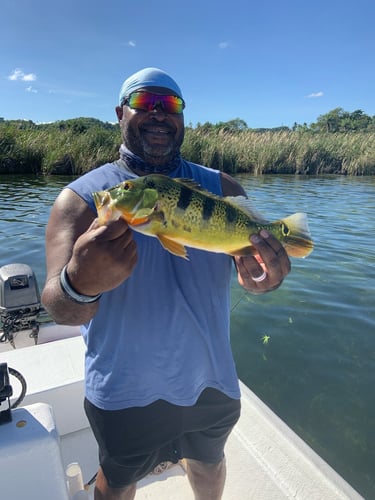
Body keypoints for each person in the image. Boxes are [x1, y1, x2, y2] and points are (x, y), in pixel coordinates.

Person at [42, 67, 291, 500]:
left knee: (210, 464)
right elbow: (59, 307)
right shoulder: (80, 200)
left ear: (182, 118)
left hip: (211, 378)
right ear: (121, 112)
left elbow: (249, 270)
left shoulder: (224, 189)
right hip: (124, 388)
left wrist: (262, 280)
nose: (159, 114)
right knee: (117, 479)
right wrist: (80, 283)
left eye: (170, 105)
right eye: (145, 103)